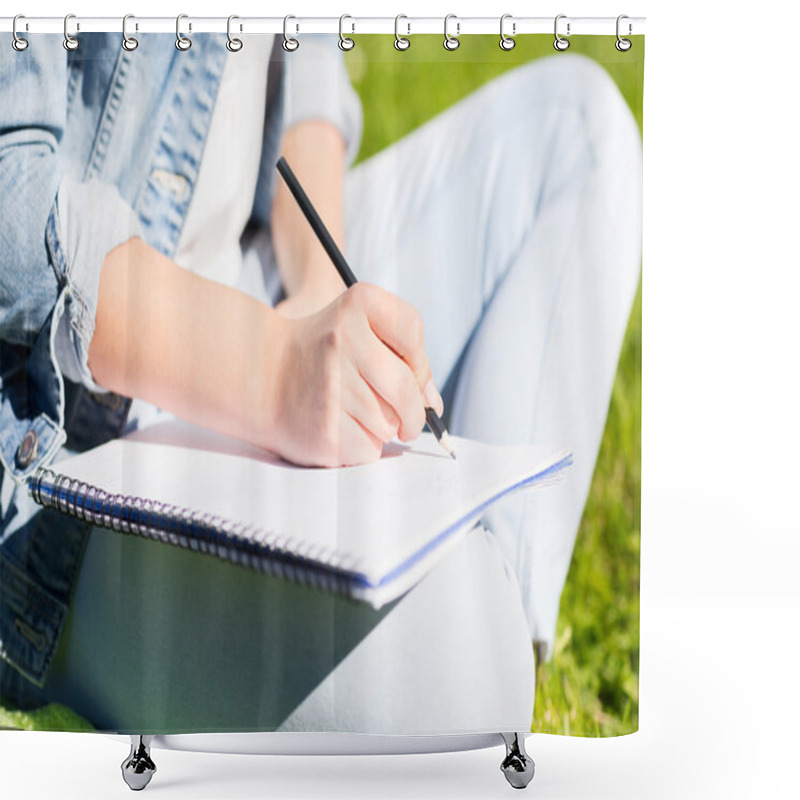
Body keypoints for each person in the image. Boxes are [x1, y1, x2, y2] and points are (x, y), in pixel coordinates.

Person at [0, 31, 641, 734]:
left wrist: (309, 297)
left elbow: (306, 68)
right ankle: (467, 645)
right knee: (440, 676)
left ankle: (496, 627)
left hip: (257, 289)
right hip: (63, 440)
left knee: (579, 129)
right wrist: (272, 370)